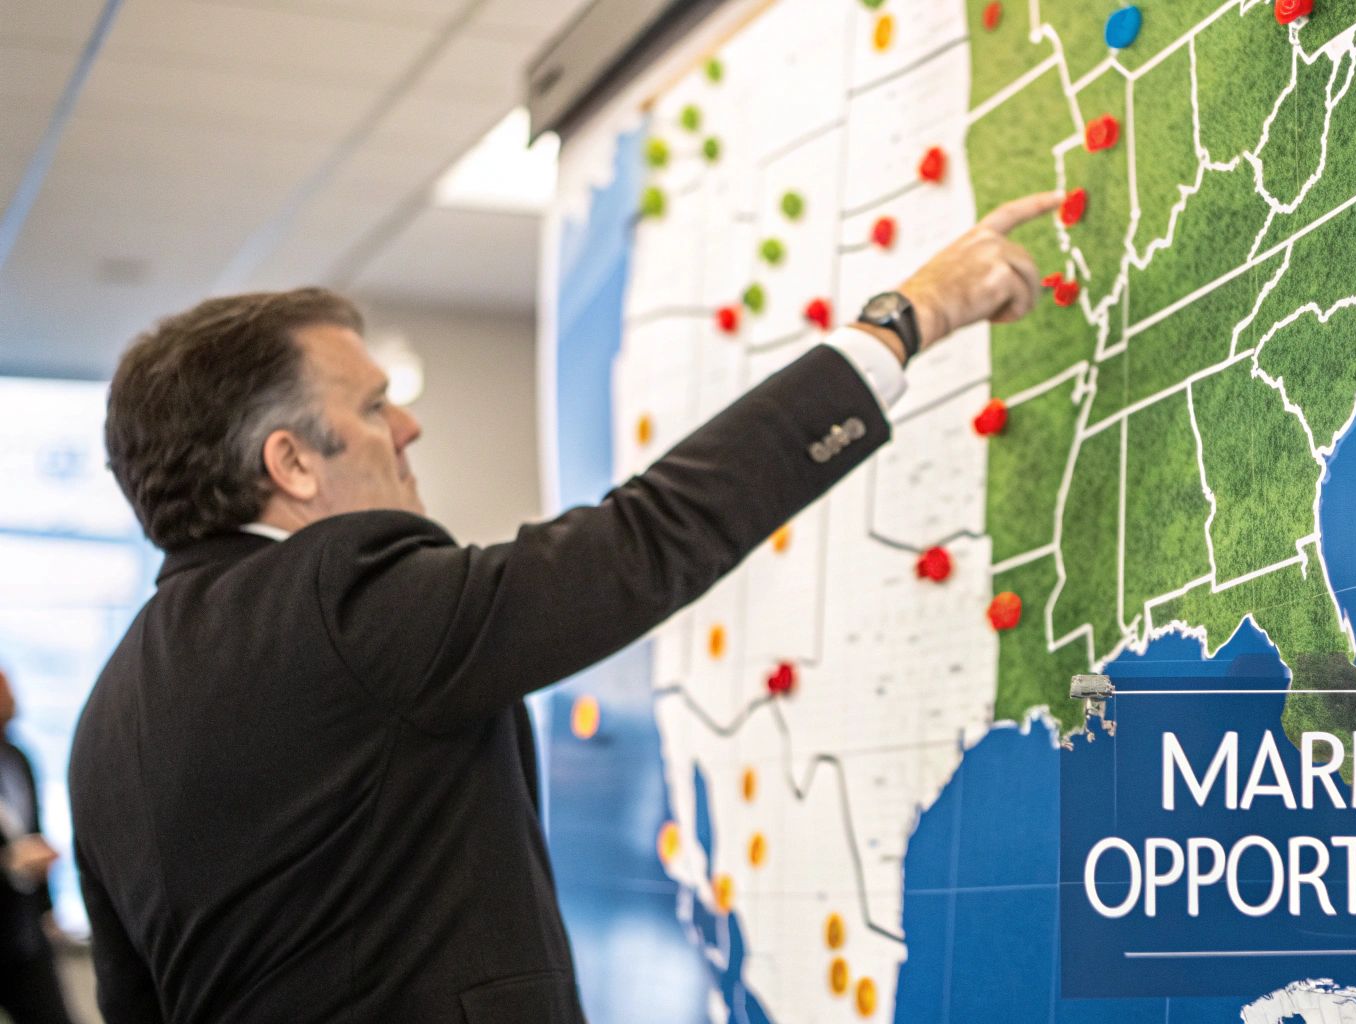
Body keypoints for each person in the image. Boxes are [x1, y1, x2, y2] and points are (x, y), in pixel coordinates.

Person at [69, 190, 1062, 1022]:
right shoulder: (341, 601)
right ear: (288, 463)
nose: (407, 422)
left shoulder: (108, 720)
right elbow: (644, 539)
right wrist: (904, 320)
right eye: (372, 407)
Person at [0, 666, 75, 1024]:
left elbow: (34, 830)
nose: (12, 698)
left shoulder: (18, 758)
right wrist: (7, 864)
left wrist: (49, 908)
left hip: (25, 934)